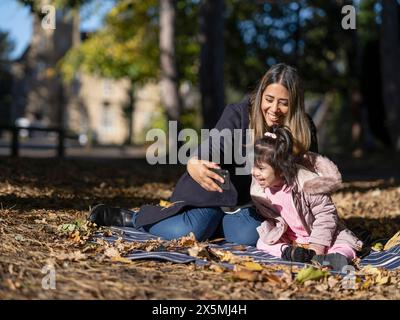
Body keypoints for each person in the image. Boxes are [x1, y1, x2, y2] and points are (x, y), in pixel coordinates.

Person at [89, 63, 320, 245]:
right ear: (261, 95)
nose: (274, 109)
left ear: (295, 104)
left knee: (249, 237)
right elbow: (213, 146)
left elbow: (311, 180)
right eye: (269, 100)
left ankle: (219, 226)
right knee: (194, 230)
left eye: (284, 103)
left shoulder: (304, 129)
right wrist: (194, 162)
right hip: (213, 194)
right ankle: (134, 218)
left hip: (253, 206)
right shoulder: (239, 114)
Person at [252, 125, 363, 271]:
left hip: (321, 235)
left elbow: (326, 215)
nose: (254, 172)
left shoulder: (307, 184)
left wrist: (317, 246)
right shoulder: (262, 190)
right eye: (254, 166)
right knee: (262, 243)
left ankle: (335, 257)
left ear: (280, 168)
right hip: (293, 239)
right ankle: (289, 253)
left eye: (261, 168)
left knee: (346, 244)